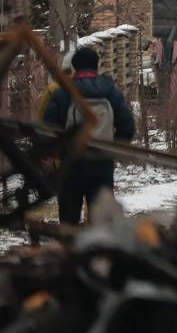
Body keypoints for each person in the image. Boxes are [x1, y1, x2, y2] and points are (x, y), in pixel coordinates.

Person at [43, 47, 136, 226]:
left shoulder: (63, 93)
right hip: (102, 166)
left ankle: (69, 243)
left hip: (71, 166)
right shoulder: (110, 92)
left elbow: (47, 130)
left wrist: (58, 153)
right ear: (97, 65)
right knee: (101, 223)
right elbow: (128, 128)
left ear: (74, 67)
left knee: (68, 222)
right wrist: (112, 148)